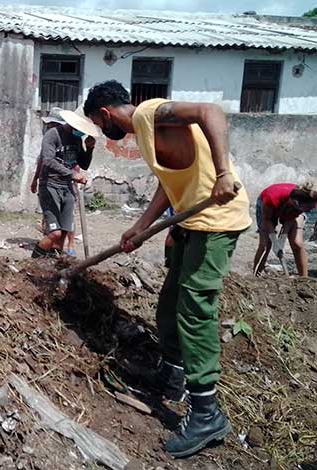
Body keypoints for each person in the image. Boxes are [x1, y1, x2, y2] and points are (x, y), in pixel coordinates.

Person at [83, 80, 251, 458]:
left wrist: (224, 172)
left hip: (217, 220)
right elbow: (168, 181)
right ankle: (172, 374)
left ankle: (207, 413)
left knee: (194, 309)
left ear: (105, 114)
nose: (100, 129)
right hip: (190, 222)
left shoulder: (149, 113)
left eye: (97, 122)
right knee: (170, 300)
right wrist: (142, 227)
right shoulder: (146, 132)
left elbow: (211, 112)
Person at [31, 109, 98, 258]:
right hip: (50, 185)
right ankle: (34, 261)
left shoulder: (76, 139)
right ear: (73, 125)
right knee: (55, 233)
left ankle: (56, 265)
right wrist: (73, 174)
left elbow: (84, 164)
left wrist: (90, 149)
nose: (82, 133)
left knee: (64, 232)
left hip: (67, 188)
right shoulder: (53, 134)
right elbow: (47, 160)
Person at [253, 183, 317, 277]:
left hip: (293, 206)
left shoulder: (304, 202)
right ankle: (255, 274)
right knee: (266, 245)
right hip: (267, 204)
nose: (310, 211)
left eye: (312, 208)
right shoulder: (271, 198)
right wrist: (274, 240)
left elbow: (290, 219)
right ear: (296, 203)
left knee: (297, 243)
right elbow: (267, 219)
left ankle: (304, 278)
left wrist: (282, 238)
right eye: (308, 208)